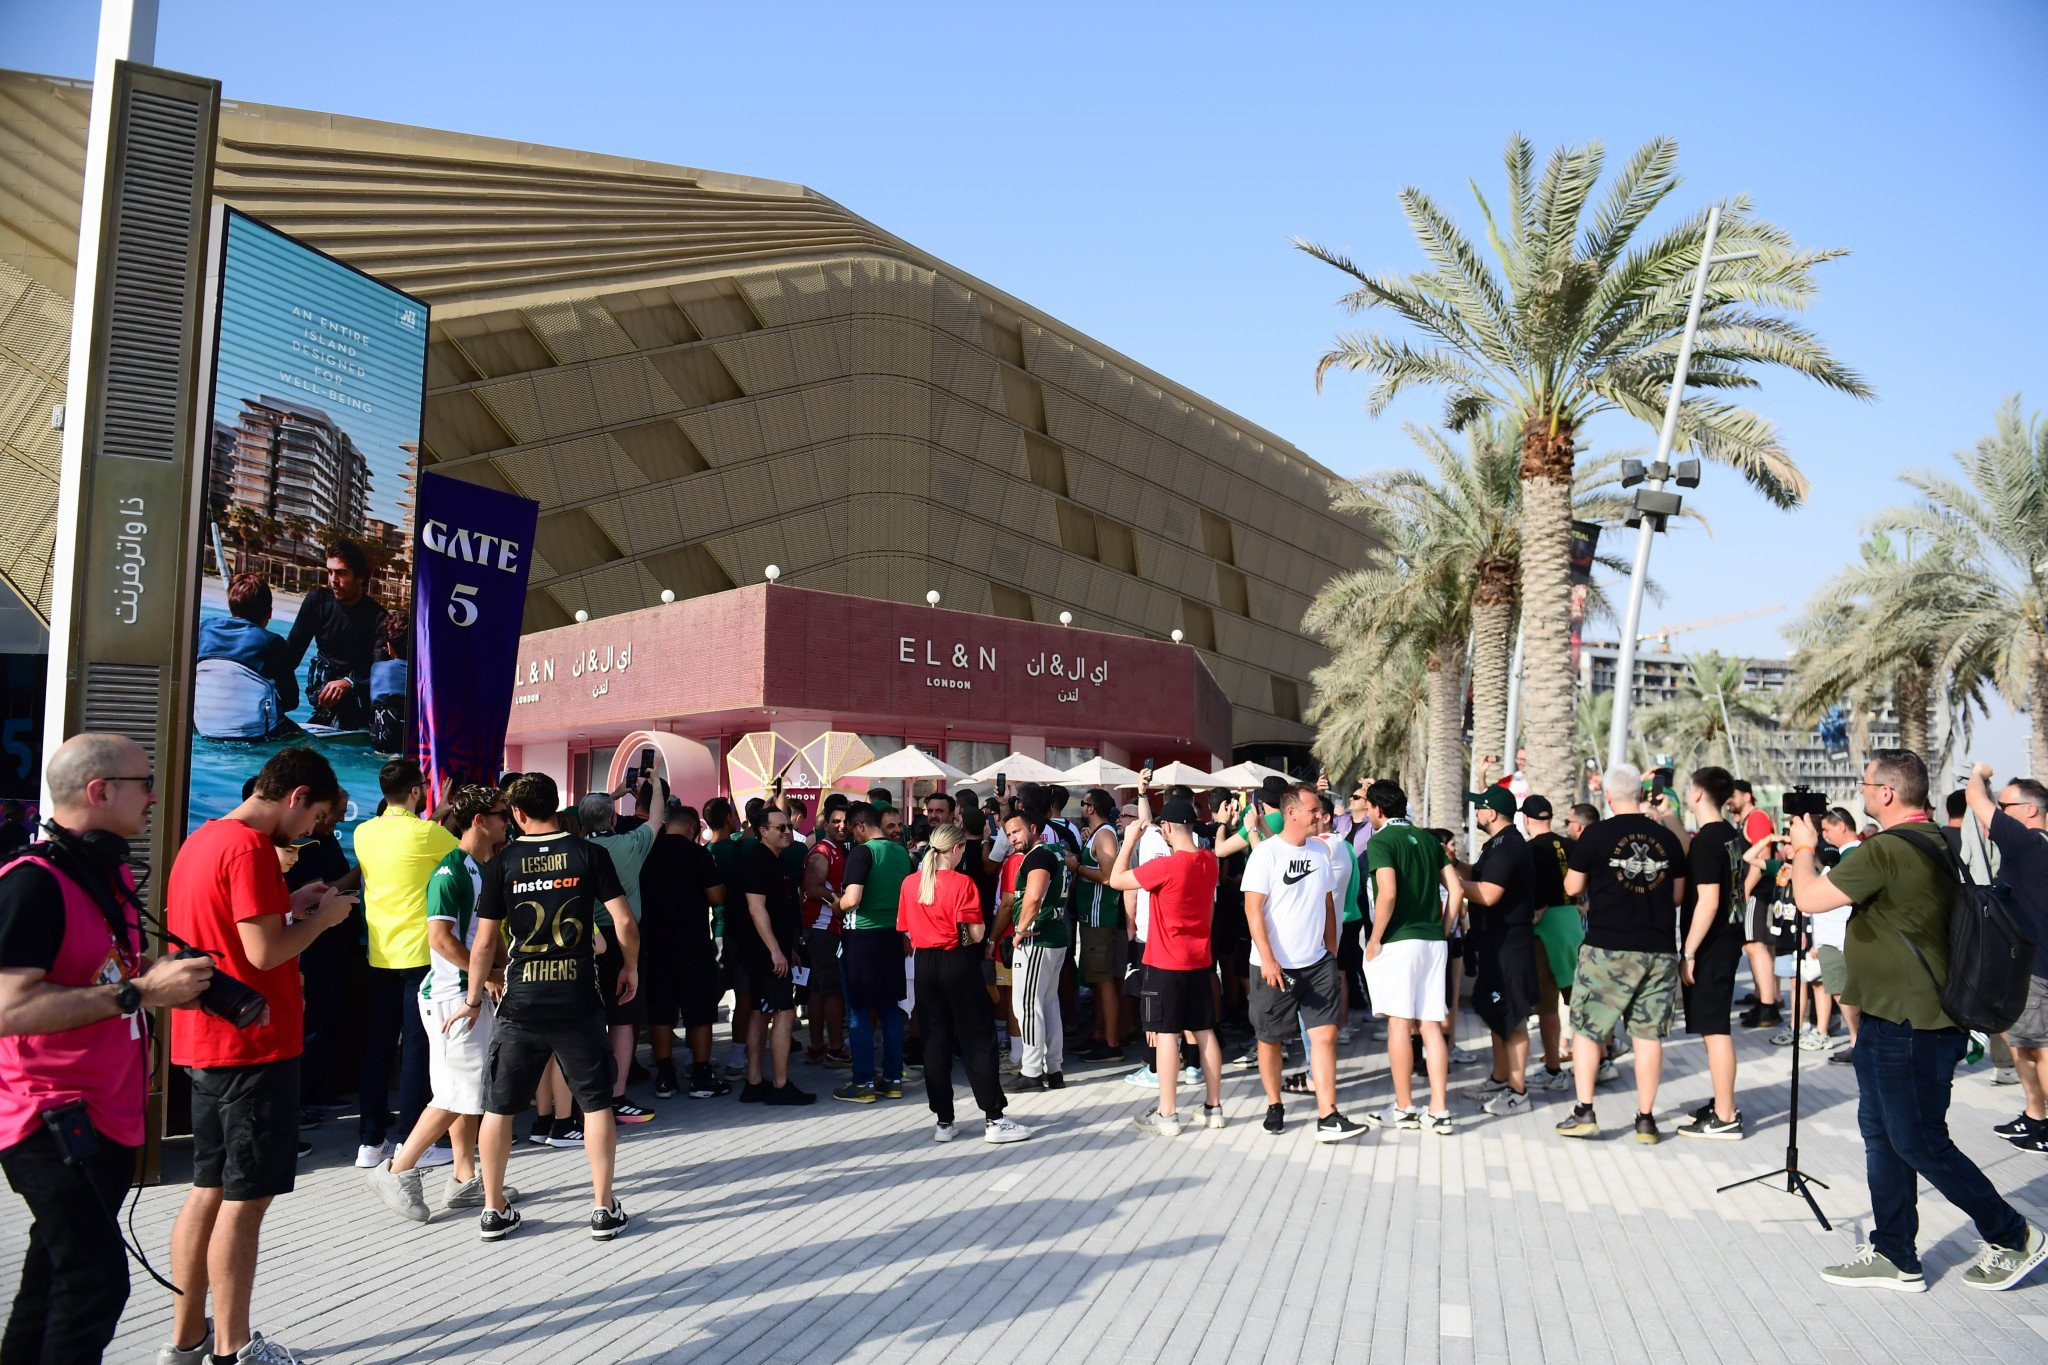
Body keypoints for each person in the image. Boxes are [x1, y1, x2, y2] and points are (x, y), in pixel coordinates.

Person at [1791, 749, 2046, 1292]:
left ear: (1886, 793)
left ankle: (2013, 1235)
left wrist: (1805, 849)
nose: (1860, 793)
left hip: (1913, 1024)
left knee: (1919, 1142)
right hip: (1894, 1019)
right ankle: (1895, 1253)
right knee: (1883, 1135)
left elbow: (1810, 898)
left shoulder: (1886, 850)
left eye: (1864, 785)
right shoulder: (1934, 839)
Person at [0, 736, 213, 1363]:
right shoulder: (31, 884)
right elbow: (8, 1008)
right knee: (95, 1281)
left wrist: (168, 983)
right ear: (100, 792)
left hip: (107, 1118)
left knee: (52, 1278)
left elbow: (114, 972)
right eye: (144, 782)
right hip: (48, 1117)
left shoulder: (108, 871)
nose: (153, 795)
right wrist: (139, 992)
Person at [164, 747, 357, 1365]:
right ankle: (236, 1347)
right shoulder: (248, 848)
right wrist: (323, 919)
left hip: (208, 1042)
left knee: (207, 1188)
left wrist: (293, 902)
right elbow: (264, 953)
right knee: (245, 1202)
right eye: (316, 818)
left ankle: (188, 1336)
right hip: (254, 1046)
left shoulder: (204, 840)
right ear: (296, 796)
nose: (312, 832)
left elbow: (231, 928)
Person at [454, 772, 637, 1243]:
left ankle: (493, 1209)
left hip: (521, 1001)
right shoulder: (588, 853)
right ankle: (601, 1208)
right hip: (577, 997)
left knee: (500, 1107)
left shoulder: (502, 862)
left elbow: (485, 943)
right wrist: (630, 967)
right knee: (595, 1102)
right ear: (557, 806)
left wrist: (474, 999)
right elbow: (623, 921)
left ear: (516, 814)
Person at [366, 784, 513, 1221]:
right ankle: (396, 1168)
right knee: (454, 1095)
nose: (508, 821)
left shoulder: (480, 867)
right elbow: (440, 939)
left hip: (465, 993)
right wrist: (485, 974)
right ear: (479, 821)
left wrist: (495, 969)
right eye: (501, 814)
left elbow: (483, 936)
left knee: (469, 1092)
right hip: (451, 998)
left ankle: (464, 1178)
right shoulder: (451, 871)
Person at [1554, 763, 1687, 1144]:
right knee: (1648, 1036)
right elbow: (1677, 896)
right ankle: (1645, 1121)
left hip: (1607, 948)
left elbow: (1573, 886)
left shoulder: (1595, 835)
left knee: (1587, 1029)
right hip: (1659, 949)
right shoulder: (1666, 839)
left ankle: (1585, 1111)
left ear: (1609, 797)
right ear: (1642, 796)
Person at [350, 761, 459, 1169]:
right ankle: (412, 1140)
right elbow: (465, 854)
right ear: (416, 792)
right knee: (417, 1049)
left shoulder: (364, 833)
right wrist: (442, 816)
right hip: (418, 957)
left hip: (379, 955)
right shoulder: (429, 833)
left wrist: (438, 812)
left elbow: (405, 841)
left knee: (378, 1049)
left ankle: (369, 1141)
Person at [1244, 783, 1364, 1141]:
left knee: (1325, 1035)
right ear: (1292, 812)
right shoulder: (1266, 854)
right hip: (1273, 966)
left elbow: (1329, 904)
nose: (1320, 816)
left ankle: (1328, 1116)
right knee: (1270, 1039)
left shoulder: (1320, 852)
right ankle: (1274, 1104)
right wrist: (1267, 958)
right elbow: (1253, 910)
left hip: (1317, 964)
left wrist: (1330, 952)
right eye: (1313, 810)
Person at [899, 824, 1030, 1144]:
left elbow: (905, 929)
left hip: (925, 964)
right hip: (958, 961)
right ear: (956, 849)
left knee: (934, 1041)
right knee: (977, 1038)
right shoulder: (962, 883)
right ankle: (994, 1117)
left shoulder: (910, 882)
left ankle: (944, 1120)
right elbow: (974, 934)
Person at [1107, 797, 1224, 1135]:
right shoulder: (1209, 861)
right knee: (1204, 1031)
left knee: (1167, 1035)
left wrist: (1129, 840)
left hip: (1164, 962)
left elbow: (1117, 880)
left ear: (1168, 828)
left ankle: (1167, 1113)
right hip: (1199, 958)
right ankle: (1213, 1107)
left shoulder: (1167, 866)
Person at [1361, 780, 1461, 1135]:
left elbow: (1386, 894)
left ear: (1378, 809)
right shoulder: (1430, 840)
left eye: (1369, 808)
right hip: (1434, 941)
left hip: (1400, 942)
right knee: (1432, 1024)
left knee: (1399, 1024)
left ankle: (1404, 1107)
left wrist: (1374, 939)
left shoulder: (1381, 841)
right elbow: (1458, 890)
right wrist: (1444, 929)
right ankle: (1439, 1109)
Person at [1963, 765, 2048, 1152]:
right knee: (2024, 1045)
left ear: (2030, 810)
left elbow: (1975, 799)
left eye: (2007, 806)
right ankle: (2035, 1116)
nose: (2000, 811)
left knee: (2039, 1047)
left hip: (2036, 968)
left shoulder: (2026, 843)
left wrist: (1979, 773)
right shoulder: (2035, 847)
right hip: (2027, 967)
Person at [583, 767, 667, 1125]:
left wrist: (612, 796)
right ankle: (616, 1095)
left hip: (586, 938)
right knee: (622, 1018)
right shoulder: (631, 844)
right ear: (615, 817)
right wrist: (656, 782)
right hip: (623, 936)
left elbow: (574, 815)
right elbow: (659, 816)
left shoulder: (574, 847)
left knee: (586, 1018)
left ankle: (582, 1096)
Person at [1675, 767, 1746, 1140]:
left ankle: (1725, 1114)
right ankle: (1722, 1101)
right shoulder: (1730, 835)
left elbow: (1708, 902)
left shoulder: (1707, 841)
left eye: (1690, 786)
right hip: (1728, 939)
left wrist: (1688, 952)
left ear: (1699, 794)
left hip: (1712, 945)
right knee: (1712, 1026)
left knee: (1716, 1029)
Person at [640, 804, 729, 1100]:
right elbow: (717, 897)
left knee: (661, 1012)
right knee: (699, 1011)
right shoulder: (698, 854)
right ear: (693, 828)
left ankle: (665, 1076)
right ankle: (701, 1076)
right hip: (692, 942)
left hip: (654, 942)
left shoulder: (648, 853)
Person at [1462, 787, 1539, 1117]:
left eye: (1480, 808)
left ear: (1491, 814)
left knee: (1512, 1016)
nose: (1477, 813)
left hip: (1510, 945)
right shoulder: (1496, 844)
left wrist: (1449, 879)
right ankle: (1500, 1076)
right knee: (1494, 1011)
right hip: (1494, 943)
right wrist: (1449, 862)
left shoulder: (1509, 846)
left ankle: (1518, 1092)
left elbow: (1489, 894)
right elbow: (1478, 875)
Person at [734, 805, 813, 1106]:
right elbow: (756, 909)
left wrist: (786, 948)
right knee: (785, 1013)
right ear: (762, 831)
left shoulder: (774, 860)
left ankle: (754, 1082)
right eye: (779, 827)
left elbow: (778, 911)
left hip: (771, 950)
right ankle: (780, 1085)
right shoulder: (758, 860)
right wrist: (775, 951)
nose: (786, 831)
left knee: (760, 1012)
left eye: (787, 826)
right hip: (763, 954)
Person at [834, 803, 910, 1103]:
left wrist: (835, 905)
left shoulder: (862, 852)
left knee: (859, 1012)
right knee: (891, 1010)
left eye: (852, 829)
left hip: (861, 938)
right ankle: (892, 1079)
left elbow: (852, 900)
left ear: (860, 826)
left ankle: (863, 1083)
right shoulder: (900, 852)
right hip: (892, 935)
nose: (852, 835)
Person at [998, 800, 1071, 1093]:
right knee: (1048, 1004)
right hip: (1053, 935)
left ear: (1033, 828)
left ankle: (1030, 1072)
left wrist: (1019, 931)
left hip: (1037, 938)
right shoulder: (1057, 854)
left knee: (1027, 1006)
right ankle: (1054, 1069)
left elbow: (1035, 895)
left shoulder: (1038, 856)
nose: (1013, 838)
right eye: (1009, 834)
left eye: (1016, 831)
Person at [281, 540, 385, 730]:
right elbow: (290, 657)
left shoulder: (378, 618)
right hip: (323, 704)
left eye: (341, 573)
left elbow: (382, 674)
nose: (333, 580)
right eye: (330, 572)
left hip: (360, 706)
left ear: (360, 577)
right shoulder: (317, 602)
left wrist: (350, 682)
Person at [193, 573, 301, 740]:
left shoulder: (204, 630)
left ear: (231, 606)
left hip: (203, 728)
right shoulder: (272, 642)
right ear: (270, 613)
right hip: (255, 735)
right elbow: (291, 701)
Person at [1520, 795, 1578, 1090]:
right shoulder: (1569, 844)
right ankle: (1598, 1061)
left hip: (1545, 927)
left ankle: (1553, 1067)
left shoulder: (1529, 850)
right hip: (1572, 922)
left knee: (1547, 1004)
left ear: (1527, 820)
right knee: (1579, 999)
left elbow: (1529, 891)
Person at [1071, 789, 1128, 1063]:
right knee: (1096, 980)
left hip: (1099, 917)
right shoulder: (1098, 834)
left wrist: (1077, 867)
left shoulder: (1104, 834)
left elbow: (1108, 877)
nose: (1081, 807)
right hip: (1092, 917)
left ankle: (1112, 1043)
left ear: (1091, 808)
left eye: (1083, 804)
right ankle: (1098, 1035)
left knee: (1104, 981)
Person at [799, 801, 848, 1069]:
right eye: (836, 821)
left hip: (824, 930)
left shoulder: (836, 850)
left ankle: (817, 1047)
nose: (841, 826)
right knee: (831, 991)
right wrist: (838, 899)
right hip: (823, 929)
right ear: (825, 824)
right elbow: (812, 886)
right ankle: (836, 1050)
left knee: (818, 990)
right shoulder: (822, 852)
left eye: (845, 821)